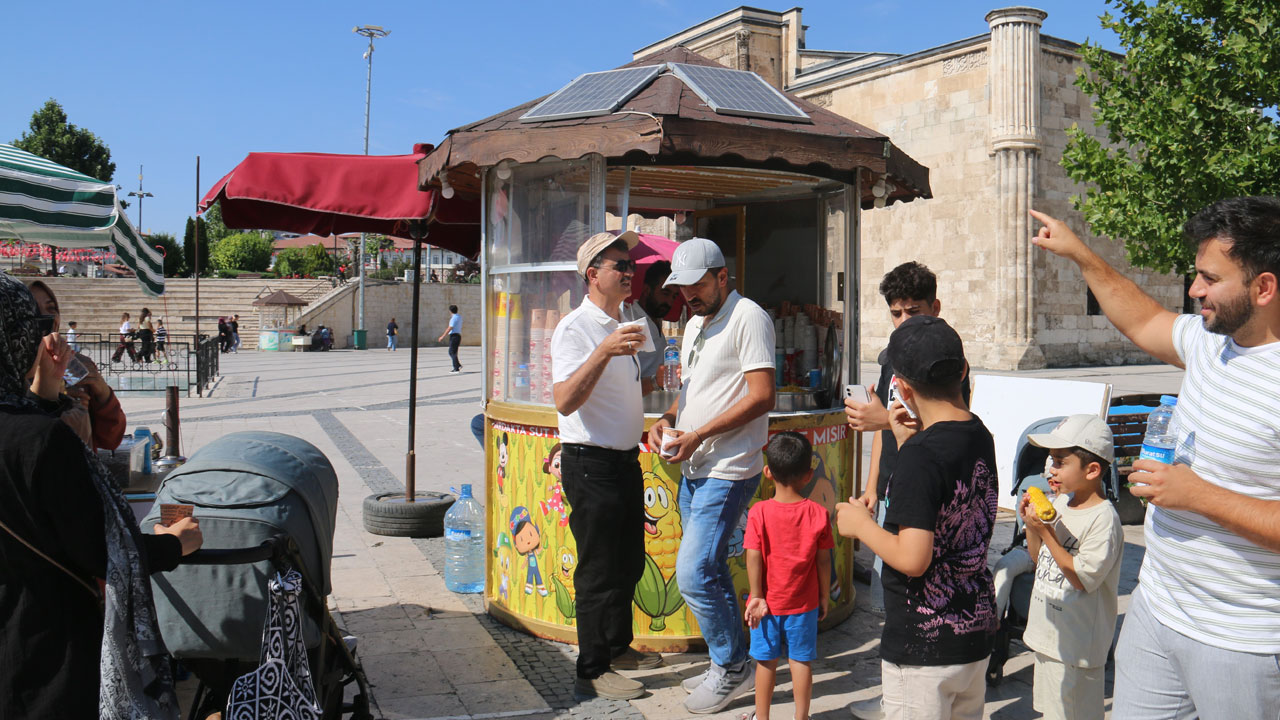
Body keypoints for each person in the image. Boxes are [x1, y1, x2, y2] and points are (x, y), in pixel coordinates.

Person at [1031, 199, 1280, 717]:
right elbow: (1143, 318)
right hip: (1156, 609)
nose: (1194, 290)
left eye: (1210, 279)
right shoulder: (1211, 340)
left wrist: (1197, 495)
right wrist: (1081, 256)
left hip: (1242, 641)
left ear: (1263, 288)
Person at [0, 273, 204, 718]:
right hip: (49, 650)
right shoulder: (40, 440)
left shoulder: (35, 428)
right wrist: (175, 544)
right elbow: (99, 551)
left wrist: (49, 394)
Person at [835, 316, 998, 720]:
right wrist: (907, 443)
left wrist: (861, 526)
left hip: (925, 647)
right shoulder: (980, 434)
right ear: (963, 371)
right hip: (973, 634)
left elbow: (913, 558)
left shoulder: (920, 458)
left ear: (902, 388)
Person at [647, 237, 776, 714]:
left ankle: (731, 666)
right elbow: (693, 388)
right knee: (710, 567)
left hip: (729, 467)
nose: (688, 296)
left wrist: (699, 433)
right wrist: (669, 419)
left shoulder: (748, 317)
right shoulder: (696, 323)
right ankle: (731, 659)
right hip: (696, 465)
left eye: (698, 285)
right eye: (682, 288)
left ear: (723, 276)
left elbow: (763, 395)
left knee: (693, 573)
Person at [551, 229, 659, 701]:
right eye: (621, 266)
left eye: (631, 265)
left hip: (624, 459)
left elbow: (636, 383)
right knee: (598, 569)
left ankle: (617, 647)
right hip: (590, 463)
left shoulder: (629, 319)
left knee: (628, 561)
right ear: (593, 275)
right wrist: (604, 351)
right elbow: (564, 400)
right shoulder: (575, 329)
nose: (630, 272)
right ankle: (592, 668)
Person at [844, 261, 971, 616]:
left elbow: (945, 429)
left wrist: (883, 419)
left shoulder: (945, 361)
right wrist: (872, 487)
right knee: (889, 589)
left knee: (913, 586)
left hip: (926, 489)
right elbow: (885, 431)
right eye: (896, 313)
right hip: (892, 487)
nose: (904, 321)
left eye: (913, 311)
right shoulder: (892, 357)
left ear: (935, 308)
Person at [1018, 415, 1124, 720]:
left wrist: (1047, 532)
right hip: (1049, 637)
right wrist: (1032, 527)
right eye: (1051, 460)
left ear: (1092, 470)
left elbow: (1079, 578)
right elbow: (1039, 559)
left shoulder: (1103, 520)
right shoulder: (1061, 503)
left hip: (1077, 647)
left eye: (1060, 462)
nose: (1051, 469)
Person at [743, 432, 833, 720]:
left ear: (767, 472)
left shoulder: (758, 512)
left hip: (766, 605)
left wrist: (757, 596)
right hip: (804, 605)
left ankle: (762, 717)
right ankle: (801, 717)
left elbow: (753, 556)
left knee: (765, 663)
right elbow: (823, 561)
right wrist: (823, 596)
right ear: (808, 475)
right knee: (801, 661)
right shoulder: (818, 514)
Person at [26, 281, 127, 452]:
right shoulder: (11, 373)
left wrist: (102, 390)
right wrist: (56, 402)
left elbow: (111, 438)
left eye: (51, 308)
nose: (47, 317)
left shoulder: (77, 366)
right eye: (33, 308)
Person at [635, 260, 677, 394]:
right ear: (647, 290)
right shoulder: (631, 321)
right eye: (665, 293)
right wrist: (655, 381)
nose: (669, 302)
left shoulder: (657, 320)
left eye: (674, 296)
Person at [438, 305, 463, 373]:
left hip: (454, 336)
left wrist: (442, 336)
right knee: (453, 352)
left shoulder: (453, 318)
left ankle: (456, 368)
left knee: (452, 352)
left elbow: (450, 328)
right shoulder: (459, 317)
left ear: (450, 311)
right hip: (458, 335)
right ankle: (458, 365)